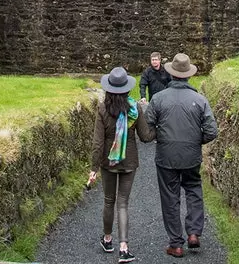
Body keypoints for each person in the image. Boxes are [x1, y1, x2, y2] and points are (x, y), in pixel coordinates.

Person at [143, 53, 218, 258]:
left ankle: (176, 243)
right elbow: (211, 131)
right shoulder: (199, 100)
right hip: (191, 155)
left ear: (172, 74)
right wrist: (195, 141)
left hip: (166, 156)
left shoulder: (158, 99)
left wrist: (161, 134)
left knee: (170, 197)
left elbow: (147, 131)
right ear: (188, 76)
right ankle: (194, 232)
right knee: (193, 188)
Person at [89, 66, 153, 263]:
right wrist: (158, 128)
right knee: (123, 203)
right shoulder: (135, 109)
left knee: (109, 200)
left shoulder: (102, 110)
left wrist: (93, 168)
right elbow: (146, 136)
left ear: (109, 89)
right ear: (127, 89)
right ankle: (124, 249)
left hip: (109, 162)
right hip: (129, 161)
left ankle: (108, 240)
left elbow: (98, 143)